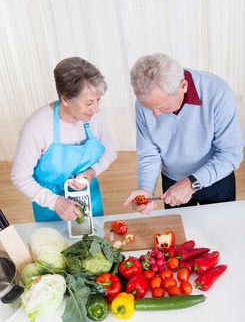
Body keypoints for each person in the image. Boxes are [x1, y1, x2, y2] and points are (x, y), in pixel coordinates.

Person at [124, 53, 244, 213]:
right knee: (180, 233)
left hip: (217, 179)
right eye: (149, 108)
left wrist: (192, 182)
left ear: (183, 86)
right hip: (172, 182)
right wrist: (145, 189)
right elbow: (149, 154)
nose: (155, 115)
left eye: (163, 107)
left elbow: (231, 154)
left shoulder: (217, 92)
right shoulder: (146, 102)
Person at [11, 57, 117, 222]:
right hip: (51, 209)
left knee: (96, 244)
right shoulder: (37, 126)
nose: (96, 108)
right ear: (65, 99)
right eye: (89, 103)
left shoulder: (92, 116)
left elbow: (110, 151)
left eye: (98, 100)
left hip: (90, 200)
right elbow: (20, 176)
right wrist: (55, 202)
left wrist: (92, 171)